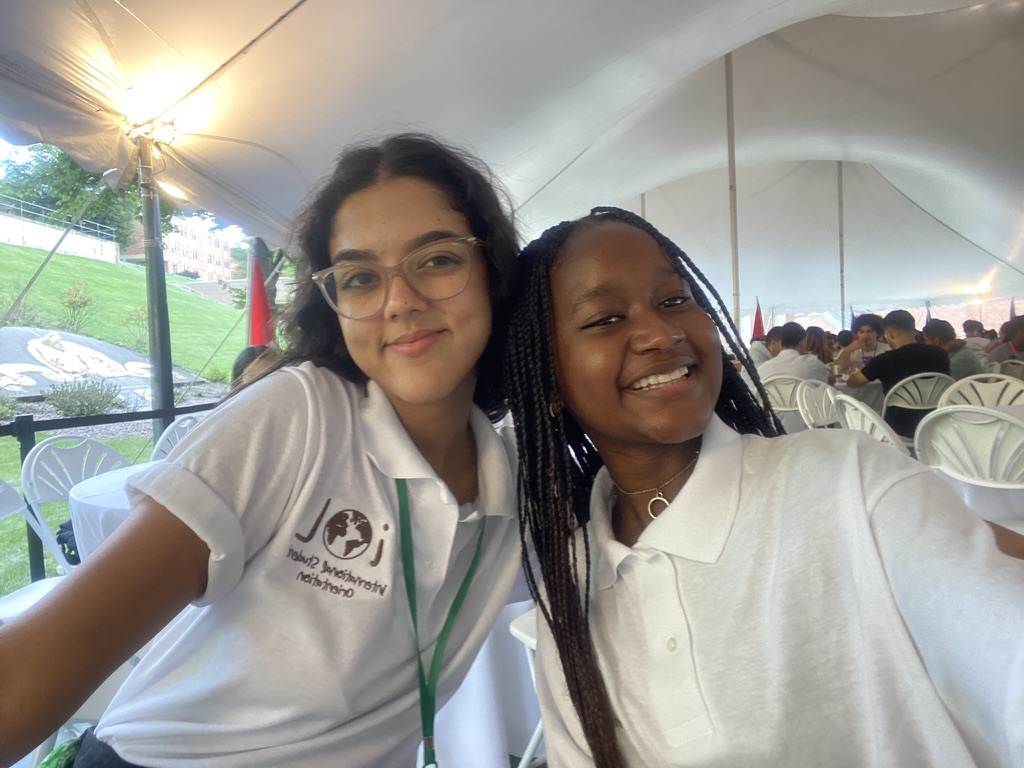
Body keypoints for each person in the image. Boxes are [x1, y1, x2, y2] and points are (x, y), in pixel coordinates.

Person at [0, 133, 524, 767]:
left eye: (438, 259)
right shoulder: (301, 412)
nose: (400, 301)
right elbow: (52, 654)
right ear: (335, 305)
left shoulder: (514, 477)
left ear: (493, 271)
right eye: (360, 277)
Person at [502, 206, 1024, 768]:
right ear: (548, 383)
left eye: (675, 299)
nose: (661, 332)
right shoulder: (570, 581)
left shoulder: (847, 482)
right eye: (606, 319)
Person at [844, 309, 950, 438]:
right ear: (913, 329)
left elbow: (852, 383)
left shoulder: (885, 360)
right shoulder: (941, 354)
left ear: (890, 334)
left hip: (900, 426)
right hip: (937, 421)